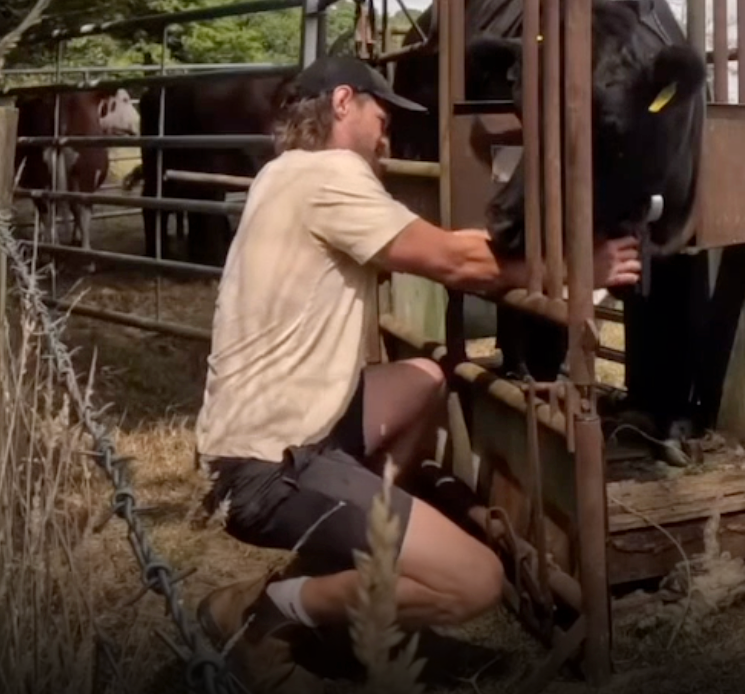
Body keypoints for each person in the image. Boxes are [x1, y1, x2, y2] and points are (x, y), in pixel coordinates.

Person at [190, 55, 641, 692]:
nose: (387, 135)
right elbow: (455, 261)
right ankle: (271, 613)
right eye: (381, 116)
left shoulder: (279, 174)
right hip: (273, 466)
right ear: (343, 102)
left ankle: (348, 553)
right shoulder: (331, 173)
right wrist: (575, 263)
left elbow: (437, 248)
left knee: (426, 378)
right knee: (474, 582)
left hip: (263, 433)